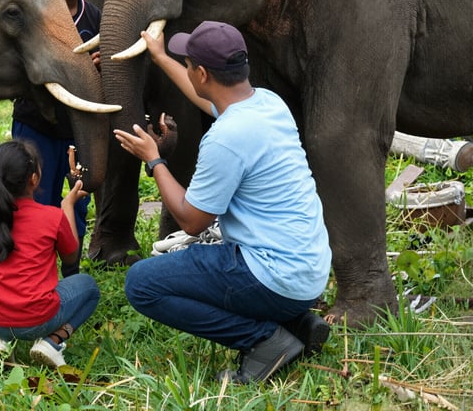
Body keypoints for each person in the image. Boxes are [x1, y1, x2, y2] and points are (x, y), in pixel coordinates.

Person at [113, 21, 332, 384]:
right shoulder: (266, 103)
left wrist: (154, 160)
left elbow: (192, 221)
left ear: (202, 72)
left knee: (141, 283)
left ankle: (264, 339)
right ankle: (296, 322)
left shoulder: (225, 138)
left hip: (271, 275)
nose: (186, 69)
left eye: (187, 64)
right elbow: (207, 98)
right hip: (308, 274)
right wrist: (162, 57)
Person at [12, 0, 101, 275]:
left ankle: (70, 269)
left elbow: (103, 65)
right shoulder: (36, 12)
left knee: (77, 197)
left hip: (77, 128)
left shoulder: (93, 16)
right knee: (37, 198)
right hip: (36, 123)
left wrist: (100, 63)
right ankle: (33, 270)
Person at [0, 139, 100, 368]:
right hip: (37, 320)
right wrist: (68, 206)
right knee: (89, 288)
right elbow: (71, 258)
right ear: (34, 178)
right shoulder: (51, 217)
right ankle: (52, 342)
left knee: (0, 305)